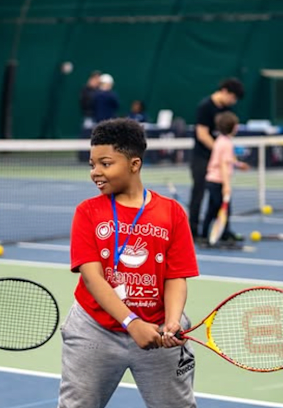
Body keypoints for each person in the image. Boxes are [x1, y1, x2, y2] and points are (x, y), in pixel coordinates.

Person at [58, 118, 199, 407]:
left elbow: (176, 276)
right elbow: (92, 277)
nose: (96, 172)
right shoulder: (87, 212)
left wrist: (172, 321)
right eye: (92, 164)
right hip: (94, 331)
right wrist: (131, 321)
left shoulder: (172, 213)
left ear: (134, 164)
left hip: (158, 333)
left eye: (105, 164)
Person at [189, 78, 244, 240]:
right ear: (225, 91)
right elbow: (202, 133)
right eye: (232, 97)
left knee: (219, 196)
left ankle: (223, 231)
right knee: (198, 192)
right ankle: (192, 231)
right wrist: (219, 151)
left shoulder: (227, 109)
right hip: (201, 157)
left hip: (216, 157)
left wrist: (229, 157)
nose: (233, 101)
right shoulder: (205, 106)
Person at [201, 112, 249, 246]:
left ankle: (204, 234)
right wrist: (226, 186)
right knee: (224, 210)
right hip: (218, 181)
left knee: (211, 210)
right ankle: (224, 235)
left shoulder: (221, 141)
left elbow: (227, 160)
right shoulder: (226, 144)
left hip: (211, 180)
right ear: (232, 127)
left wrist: (239, 164)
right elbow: (223, 164)